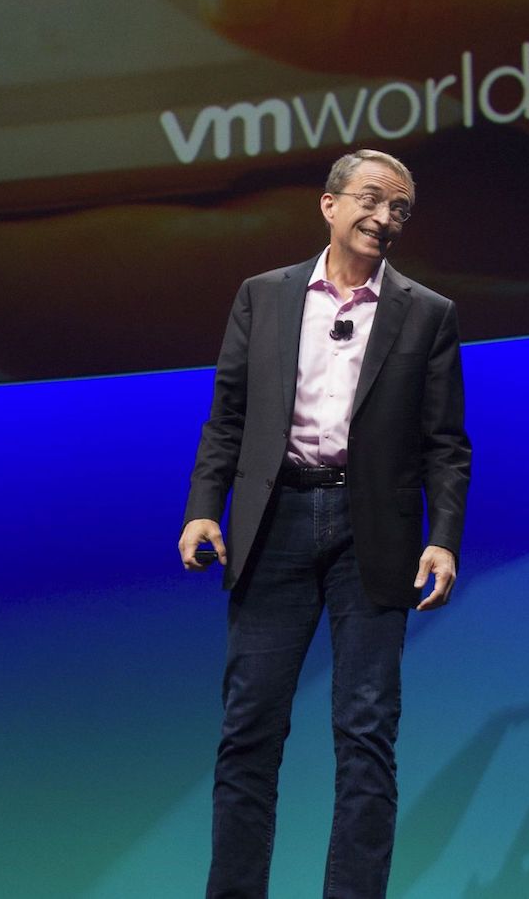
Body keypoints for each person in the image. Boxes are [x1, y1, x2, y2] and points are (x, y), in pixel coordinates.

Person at [178, 148, 471, 898]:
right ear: (329, 204)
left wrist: (443, 539)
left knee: (366, 734)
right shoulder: (263, 296)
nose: (385, 217)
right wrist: (204, 509)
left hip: (371, 532)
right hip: (272, 521)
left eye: (400, 208)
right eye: (371, 199)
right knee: (249, 729)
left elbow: (446, 444)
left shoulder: (428, 312)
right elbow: (227, 416)